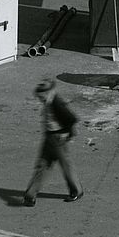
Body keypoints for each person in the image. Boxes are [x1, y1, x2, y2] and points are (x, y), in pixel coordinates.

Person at [23, 78, 83, 206]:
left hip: (57, 138)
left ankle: (76, 191)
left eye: (41, 96)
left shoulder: (57, 103)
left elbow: (71, 119)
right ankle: (30, 195)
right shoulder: (50, 101)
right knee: (44, 165)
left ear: (48, 93)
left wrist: (66, 132)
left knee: (57, 165)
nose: (39, 99)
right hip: (50, 137)